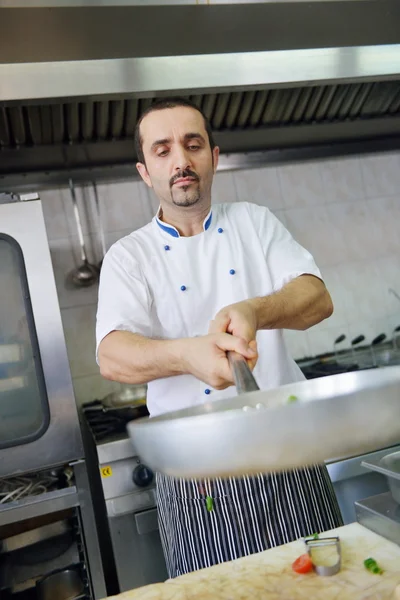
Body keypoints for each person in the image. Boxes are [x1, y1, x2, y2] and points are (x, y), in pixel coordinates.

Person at [96, 97, 343, 579]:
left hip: (288, 452)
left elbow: (316, 298)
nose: (181, 161)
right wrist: (188, 355)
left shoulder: (255, 221)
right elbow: (112, 356)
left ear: (214, 155)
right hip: (194, 471)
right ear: (145, 172)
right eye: (163, 150)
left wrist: (255, 308)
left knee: (324, 584)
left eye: (193, 145)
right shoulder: (129, 257)